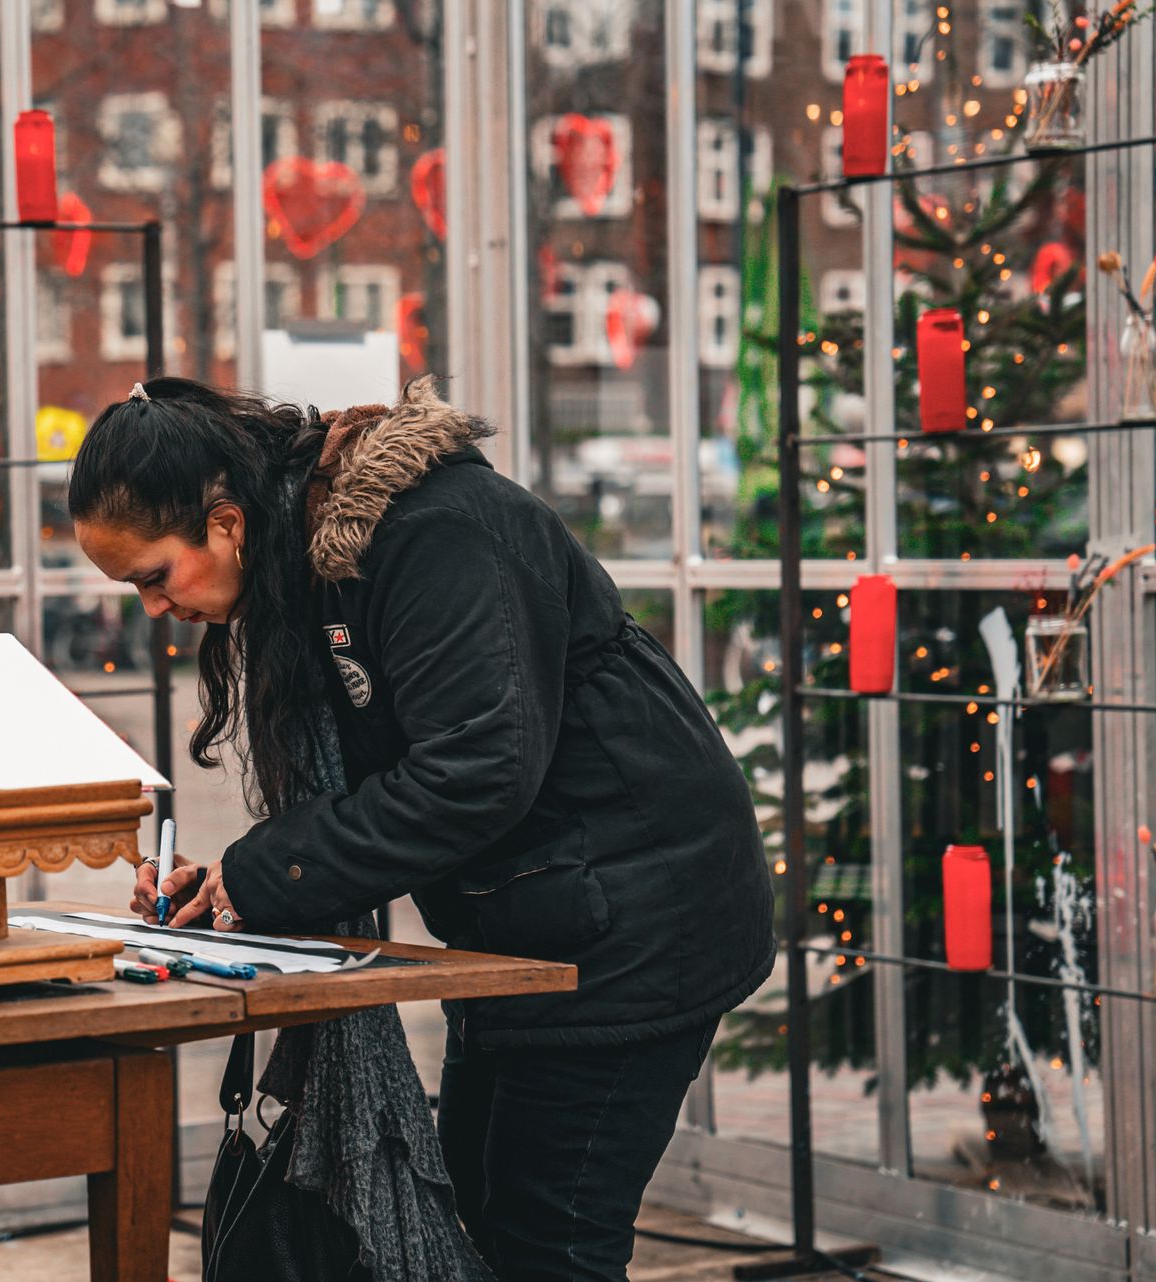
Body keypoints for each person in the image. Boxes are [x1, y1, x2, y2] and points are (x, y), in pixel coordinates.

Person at [69, 375, 775, 1282]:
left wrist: (269, 871)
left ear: (225, 521)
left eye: (153, 578)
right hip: (533, 921)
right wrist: (231, 885)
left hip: (638, 917)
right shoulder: (317, 565)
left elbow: (477, 771)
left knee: (547, 1239)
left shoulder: (432, 532)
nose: (154, 611)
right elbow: (376, 794)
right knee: (479, 1215)